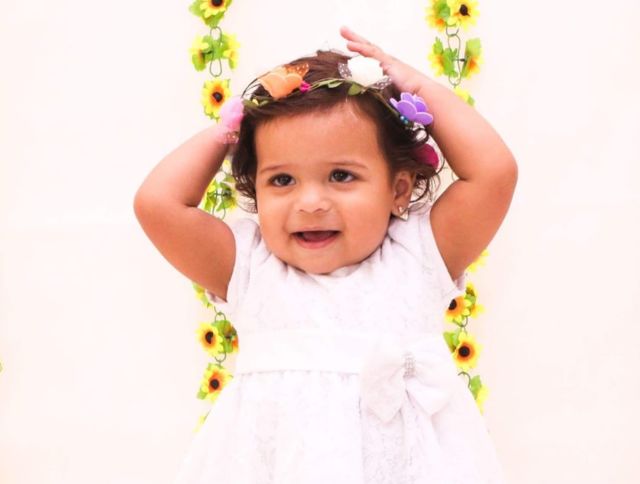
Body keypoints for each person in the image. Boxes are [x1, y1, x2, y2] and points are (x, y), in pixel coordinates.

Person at [134, 26, 516, 484]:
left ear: (398, 189)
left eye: (340, 176)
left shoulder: (418, 256)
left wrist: (417, 88)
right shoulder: (250, 269)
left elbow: (493, 172)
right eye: (282, 180)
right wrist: (229, 126)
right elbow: (157, 204)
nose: (311, 202)